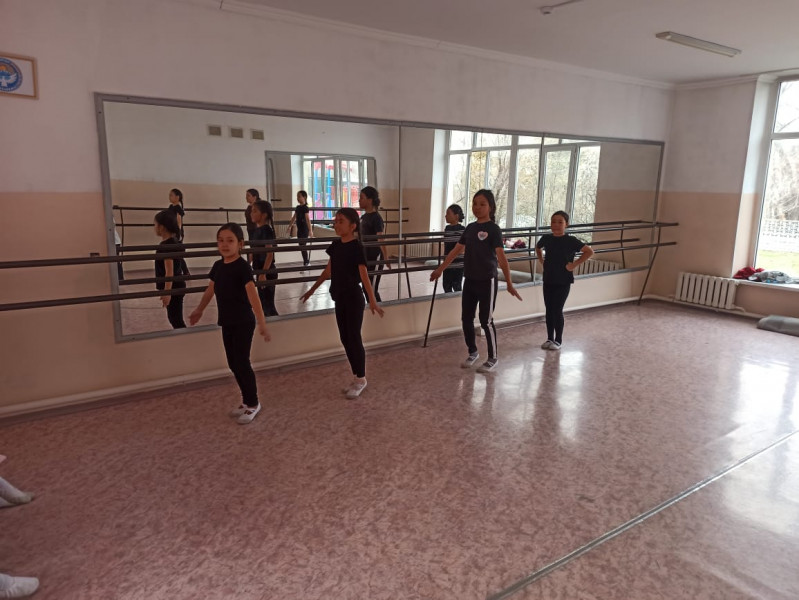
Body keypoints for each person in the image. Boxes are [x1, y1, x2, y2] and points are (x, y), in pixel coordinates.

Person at [430, 190, 522, 373]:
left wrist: (509, 284)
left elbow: (502, 259)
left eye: (482, 204)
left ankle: (493, 357)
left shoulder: (493, 229)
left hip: (487, 280)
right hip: (470, 279)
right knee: (466, 318)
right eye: (474, 204)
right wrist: (440, 269)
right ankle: (472, 352)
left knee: (486, 320)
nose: (477, 207)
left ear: (491, 207)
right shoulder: (470, 228)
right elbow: (456, 251)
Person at [189, 223, 271, 424]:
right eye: (221, 240)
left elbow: (253, 297)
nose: (224, 245)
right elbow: (210, 290)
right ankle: (246, 401)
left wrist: (262, 322)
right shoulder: (218, 266)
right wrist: (199, 309)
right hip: (227, 321)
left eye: (230, 241)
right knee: (233, 363)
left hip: (243, 322)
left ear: (240, 244)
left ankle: (253, 403)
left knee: (242, 363)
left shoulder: (243, 268)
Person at [301, 208, 384, 399]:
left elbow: (364, 275)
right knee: (345, 338)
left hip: (354, 298)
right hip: (339, 297)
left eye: (341, 221)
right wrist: (311, 290)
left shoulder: (356, 247)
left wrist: (372, 300)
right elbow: (328, 271)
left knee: (353, 337)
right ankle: (356, 377)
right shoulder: (336, 245)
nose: (336, 224)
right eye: (336, 221)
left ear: (352, 226)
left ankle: (361, 378)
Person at [535, 210, 594, 350]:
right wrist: (541, 260)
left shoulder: (571, 240)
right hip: (548, 278)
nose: (556, 224)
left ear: (566, 224)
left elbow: (589, 252)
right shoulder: (546, 238)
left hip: (563, 280)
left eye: (560, 222)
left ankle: (558, 340)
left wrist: (574, 265)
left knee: (557, 309)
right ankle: (549, 338)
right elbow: (537, 247)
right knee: (549, 309)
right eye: (553, 221)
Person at [153, 210, 187, 329]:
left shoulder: (166, 246)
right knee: (175, 318)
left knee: (175, 320)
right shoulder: (174, 241)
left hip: (174, 287)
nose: (154, 227)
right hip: (177, 285)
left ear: (162, 227)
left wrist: (167, 292)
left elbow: (169, 271)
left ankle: (186, 337)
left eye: (155, 224)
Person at [358, 186, 391, 303]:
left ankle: (379, 309)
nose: (359, 200)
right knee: (366, 288)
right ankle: (374, 309)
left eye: (362, 198)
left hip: (375, 256)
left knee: (371, 289)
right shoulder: (363, 217)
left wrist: (385, 258)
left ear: (370, 200)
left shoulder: (376, 218)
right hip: (365, 256)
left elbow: (380, 238)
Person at [250, 200, 279, 317]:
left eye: (255, 211)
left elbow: (269, 254)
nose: (251, 213)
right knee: (263, 304)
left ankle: (275, 324)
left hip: (267, 271)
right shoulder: (256, 230)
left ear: (264, 215)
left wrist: (263, 273)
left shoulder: (267, 230)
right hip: (259, 270)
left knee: (268, 305)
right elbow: (253, 251)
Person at [442, 204, 466, 293]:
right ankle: (449, 301)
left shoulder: (462, 229)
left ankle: (458, 300)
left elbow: (462, 247)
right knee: (446, 285)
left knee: (457, 286)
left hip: (458, 263)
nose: (446, 216)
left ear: (456, 216)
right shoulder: (447, 228)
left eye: (448, 214)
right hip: (447, 262)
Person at [288, 190, 313, 267]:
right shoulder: (298, 208)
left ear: (304, 197)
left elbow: (308, 220)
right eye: (297, 197)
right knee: (301, 246)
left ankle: (306, 262)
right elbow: (294, 217)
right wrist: (290, 226)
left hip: (304, 230)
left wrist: (310, 230)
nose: (298, 198)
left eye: (299, 196)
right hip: (300, 229)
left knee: (303, 246)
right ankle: (306, 261)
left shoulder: (305, 208)